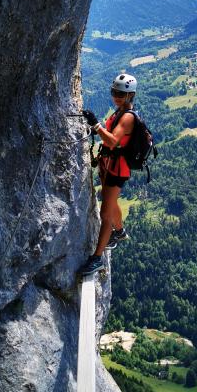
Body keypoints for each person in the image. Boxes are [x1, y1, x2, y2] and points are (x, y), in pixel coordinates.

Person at [77, 73, 137, 276]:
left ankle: (97, 259)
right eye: (114, 92)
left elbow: (112, 141)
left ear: (131, 95)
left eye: (121, 94)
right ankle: (119, 232)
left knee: (105, 214)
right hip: (109, 164)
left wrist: (96, 125)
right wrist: (98, 130)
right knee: (110, 203)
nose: (117, 96)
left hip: (117, 169)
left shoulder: (127, 117)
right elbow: (110, 136)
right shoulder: (119, 112)